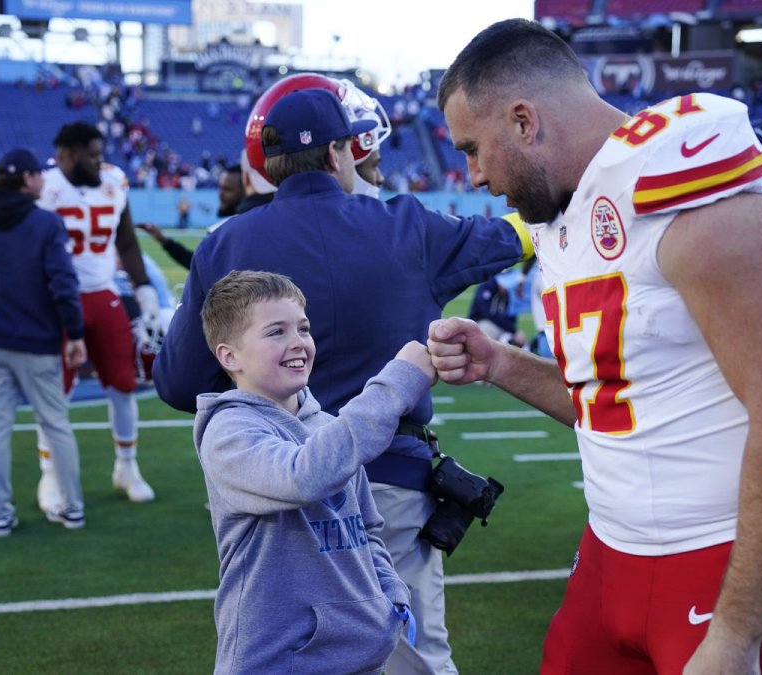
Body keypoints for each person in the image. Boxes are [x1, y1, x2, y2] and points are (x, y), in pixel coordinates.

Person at [432, 19, 762, 674]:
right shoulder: (569, 209)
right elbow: (614, 401)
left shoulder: (682, 177)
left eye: (474, 148)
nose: (472, 174)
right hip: (608, 556)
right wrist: (500, 362)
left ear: (525, 121)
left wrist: (733, 637)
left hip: (720, 561)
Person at [154, 84, 531, 675]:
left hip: (268, 494)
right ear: (340, 154)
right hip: (388, 482)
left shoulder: (223, 244)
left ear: (268, 165)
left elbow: (177, 383)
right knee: (414, 658)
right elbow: (512, 236)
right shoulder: (406, 225)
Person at [195, 270, 435, 674]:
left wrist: (389, 597)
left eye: (303, 328)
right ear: (229, 356)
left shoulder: (326, 426)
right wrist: (395, 385)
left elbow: (367, 529)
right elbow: (303, 476)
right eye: (276, 332)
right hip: (277, 661)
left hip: (360, 656)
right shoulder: (228, 432)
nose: (298, 342)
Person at [34, 121, 160, 509]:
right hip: (59, 299)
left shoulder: (114, 182)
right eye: (90, 153)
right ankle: (50, 475)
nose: (99, 160)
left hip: (104, 294)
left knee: (123, 384)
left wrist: (143, 287)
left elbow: (125, 239)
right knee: (56, 391)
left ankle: (127, 466)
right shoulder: (45, 187)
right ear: (66, 154)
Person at [0, 147, 88, 536]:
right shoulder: (46, 224)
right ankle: (72, 508)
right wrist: (76, 332)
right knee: (55, 425)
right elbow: (63, 284)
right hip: (35, 340)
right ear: (27, 179)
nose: (43, 180)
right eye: (38, 173)